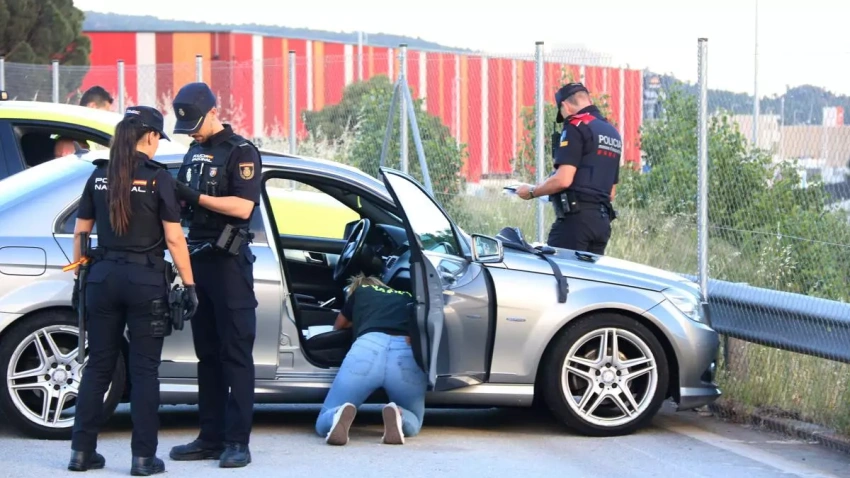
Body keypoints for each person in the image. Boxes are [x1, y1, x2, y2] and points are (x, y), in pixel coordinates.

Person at [66, 106, 198, 475]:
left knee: (98, 368)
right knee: (144, 372)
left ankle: (81, 453)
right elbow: (174, 237)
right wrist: (189, 285)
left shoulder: (99, 176)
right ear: (152, 137)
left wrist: (80, 277)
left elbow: (81, 232)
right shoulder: (158, 179)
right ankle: (143, 458)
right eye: (158, 139)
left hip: (102, 279)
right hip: (145, 282)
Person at [168, 82, 263, 469]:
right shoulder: (193, 151)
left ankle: (237, 442)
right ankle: (209, 437)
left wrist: (194, 198)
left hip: (228, 265)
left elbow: (243, 206)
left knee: (235, 354)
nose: (190, 131)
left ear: (211, 112)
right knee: (206, 355)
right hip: (198, 260)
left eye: (194, 123)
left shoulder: (240, 152)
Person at [315, 273, 427, 446]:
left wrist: (360, 319)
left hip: (367, 347)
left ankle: (338, 413)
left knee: (323, 421)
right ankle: (399, 414)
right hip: (406, 351)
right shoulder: (408, 296)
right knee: (414, 419)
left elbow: (339, 327)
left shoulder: (360, 291)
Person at [515, 82, 622, 255]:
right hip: (602, 224)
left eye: (562, 113)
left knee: (556, 275)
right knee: (586, 280)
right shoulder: (612, 132)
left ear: (565, 106)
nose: (564, 118)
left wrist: (532, 191)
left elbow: (563, 179)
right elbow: (611, 192)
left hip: (575, 222)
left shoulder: (576, 126)